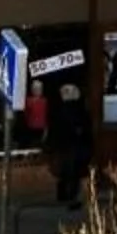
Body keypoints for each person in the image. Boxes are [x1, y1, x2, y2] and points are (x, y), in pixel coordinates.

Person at [47, 80, 92, 209]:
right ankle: (71, 198)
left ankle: (63, 196)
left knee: (66, 172)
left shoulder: (59, 109)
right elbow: (84, 127)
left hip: (64, 146)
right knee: (73, 173)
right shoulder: (77, 110)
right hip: (74, 146)